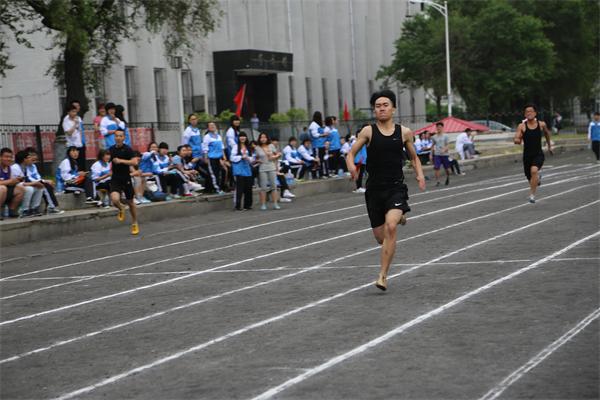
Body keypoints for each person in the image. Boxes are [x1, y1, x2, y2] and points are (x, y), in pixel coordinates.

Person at [346, 90, 426, 291]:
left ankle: (382, 276)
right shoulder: (368, 131)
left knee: (391, 228)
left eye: (385, 105)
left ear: (394, 108)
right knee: (381, 238)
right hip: (374, 191)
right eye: (378, 106)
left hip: (395, 188)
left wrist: (420, 174)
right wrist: (351, 167)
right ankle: (398, 217)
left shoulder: (404, 132)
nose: (381, 108)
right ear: (374, 110)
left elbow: (413, 157)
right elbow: (351, 154)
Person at [514, 104, 553, 203]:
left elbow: (547, 134)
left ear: (535, 113)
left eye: (531, 111)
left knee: (534, 170)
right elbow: (517, 136)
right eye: (527, 111)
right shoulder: (521, 126)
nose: (529, 113)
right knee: (530, 177)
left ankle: (532, 195)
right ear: (525, 114)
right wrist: (517, 140)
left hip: (538, 154)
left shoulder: (541, 124)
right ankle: (537, 179)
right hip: (527, 156)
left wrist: (549, 146)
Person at [108, 129, 139, 234]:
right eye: (116, 136)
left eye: (120, 136)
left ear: (124, 138)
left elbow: (134, 161)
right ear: (114, 137)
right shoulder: (111, 149)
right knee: (115, 199)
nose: (118, 138)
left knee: (131, 202)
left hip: (126, 179)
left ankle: (134, 222)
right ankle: (121, 208)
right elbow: (107, 159)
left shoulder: (128, 149)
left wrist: (121, 161)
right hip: (115, 178)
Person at [26, 148, 63, 214]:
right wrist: (43, 181)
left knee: (48, 185)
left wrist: (45, 180)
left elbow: (38, 177)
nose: (34, 157)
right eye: (31, 155)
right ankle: (51, 207)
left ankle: (50, 206)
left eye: (34, 155)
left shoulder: (34, 166)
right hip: (29, 183)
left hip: (36, 182)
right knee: (45, 186)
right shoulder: (25, 167)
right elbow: (29, 178)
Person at [11, 150, 44, 217]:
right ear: (24, 159)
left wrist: (37, 183)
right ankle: (24, 210)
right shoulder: (15, 167)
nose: (31, 159)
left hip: (22, 186)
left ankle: (34, 208)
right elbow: (20, 183)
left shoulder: (25, 167)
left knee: (39, 188)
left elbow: (27, 181)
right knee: (29, 189)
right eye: (29, 157)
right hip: (14, 187)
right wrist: (34, 183)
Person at [254, 132, 281, 210]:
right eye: (261, 137)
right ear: (259, 139)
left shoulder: (271, 146)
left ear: (267, 138)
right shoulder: (257, 147)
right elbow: (256, 158)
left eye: (264, 137)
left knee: (274, 186)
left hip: (271, 167)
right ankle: (263, 204)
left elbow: (278, 155)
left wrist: (275, 156)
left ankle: (275, 203)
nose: (263, 139)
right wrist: (257, 160)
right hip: (262, 168)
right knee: (263, 187)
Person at [230, 132, 255, 210]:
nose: (242, 138)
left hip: (247, 169)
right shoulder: (235, 147)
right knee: (240, 188)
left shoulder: (248, 147)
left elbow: (252, 159)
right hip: (239, 169)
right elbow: (232, 158)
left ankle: (247, 205)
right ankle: (237, 205)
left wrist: (247, 158)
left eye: (244, 136)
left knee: (248, 187)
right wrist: (241, 157)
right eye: (241, 136)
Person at [0, 148, 25, 219]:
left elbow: (10, 182)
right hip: (2, 190)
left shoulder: (9, 168)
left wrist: (16, 181)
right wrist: (10, 181)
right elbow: (7, 182)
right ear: (0, 157)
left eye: (10, 157)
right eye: (6, 157)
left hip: (5, 191)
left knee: (21, 189)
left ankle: (12, 210)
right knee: (2, 188)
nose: (9, 159)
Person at [203, 121, 227, 194]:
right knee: (213, 174)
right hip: (211, 158)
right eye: (210, 126)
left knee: (218, 173)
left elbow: (222, 147)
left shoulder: (218, 136)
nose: (212, 126)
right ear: (208, 128)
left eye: (213, 125)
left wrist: (224, 157)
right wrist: (206, 158)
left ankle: (215, 188)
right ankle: (217, 189)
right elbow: (205, 148)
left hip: (218, 158)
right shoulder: (207, 137)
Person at [62, 104, 85, 170]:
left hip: (79, 145)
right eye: (72, 111)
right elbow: (69, 133)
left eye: (75, 111)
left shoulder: (78, 118)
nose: (74, 113)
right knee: (73, 164)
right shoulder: (66, 120)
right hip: (72, 146)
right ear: (68, 112)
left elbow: (80, 130)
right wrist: (75, 124)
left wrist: (82, 141)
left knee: (81, 165)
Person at [308, 111, 329, 178]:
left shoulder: (317, 125)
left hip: (321, 145)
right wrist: (323, 135)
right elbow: (315, 135)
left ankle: (321, 174)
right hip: (316, 145)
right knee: (317, 160)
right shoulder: (313, 125)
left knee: (322, 160)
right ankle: (316, 175)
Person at [431, 122, 451, 186]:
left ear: (442, 127)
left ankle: (448, 177)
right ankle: (438, 181)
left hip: (445, 155)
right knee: (436, 168)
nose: (438, 128)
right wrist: (431, 154)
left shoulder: (446, 136)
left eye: (440, 127)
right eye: (437, 127)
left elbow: (448, 145)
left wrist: (444, 150)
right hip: (437, 154)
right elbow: (432, 145)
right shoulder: (434, 137)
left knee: (447, 169)